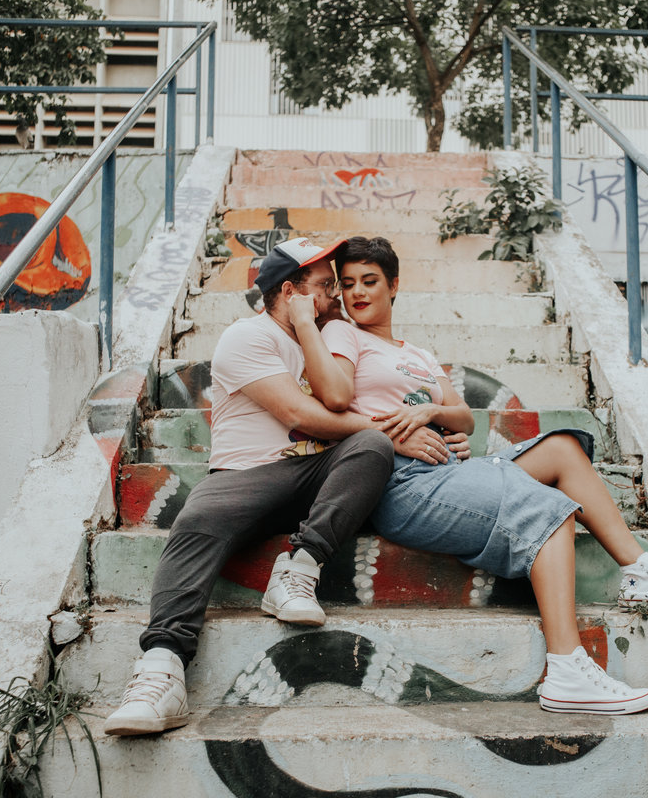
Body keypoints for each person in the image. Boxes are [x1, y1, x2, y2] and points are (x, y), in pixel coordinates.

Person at [304, 236, 648, 715]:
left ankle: (640, 573)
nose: (358, 292)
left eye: (370, 281)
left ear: (394, 285)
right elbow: (335, 401)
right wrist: (396, 432)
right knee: (548, 510)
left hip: (446, 470)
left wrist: (429, 413)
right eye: (349, 284)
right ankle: (566, 671)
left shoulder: (416, 353)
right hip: (401, 482)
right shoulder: (343, 335)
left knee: (563, 448)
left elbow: (464, 418)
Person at [105, 237, 453, 736]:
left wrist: (433, 429)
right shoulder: (248, 336)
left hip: (318, 477)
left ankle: (298, 569)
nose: (337, 295)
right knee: (198, 518)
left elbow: (380, 392)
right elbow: (297, 413)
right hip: (247, 477)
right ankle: (161, 671)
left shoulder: (332, 340)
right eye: (326, 286)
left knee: (371, 448)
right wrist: (395, 431)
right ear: (291, 292)